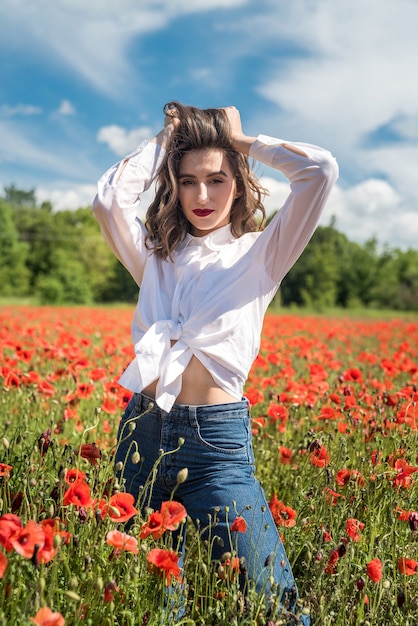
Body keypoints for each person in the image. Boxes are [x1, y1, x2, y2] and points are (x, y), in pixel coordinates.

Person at [92, 101, 338, 624]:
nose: (202, 196)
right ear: (172, 186)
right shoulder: (155, 255)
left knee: (274, 603)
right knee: (152, 608)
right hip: (140, 434)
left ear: (239, 182)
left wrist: (242, 140)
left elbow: (319, 172)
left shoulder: (260, 253)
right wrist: (167, 139)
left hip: (216, 449)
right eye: (187, 181)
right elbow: (109, 199)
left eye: (217, 179)